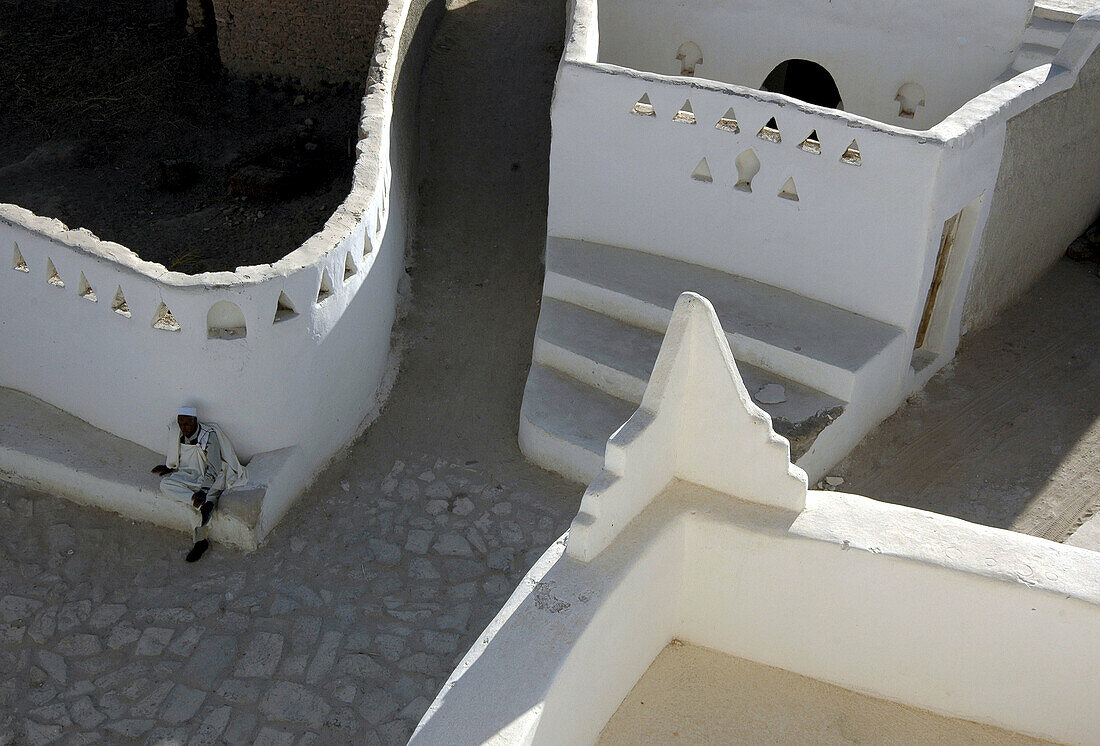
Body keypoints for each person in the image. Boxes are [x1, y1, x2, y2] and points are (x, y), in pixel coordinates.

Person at [151, 406, 247, 562]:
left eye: (187, 424)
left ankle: (200, 541)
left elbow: (214, 466)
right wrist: (169, 466)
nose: (184, 427)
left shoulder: (209, 436)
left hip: (210, 477)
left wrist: (204, 489)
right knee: (165, 485)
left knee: (195, 509)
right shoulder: (178, 431)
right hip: (189, 474)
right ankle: (201, 503)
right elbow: (175, 452)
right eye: (181, 423)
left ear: (195, 421)